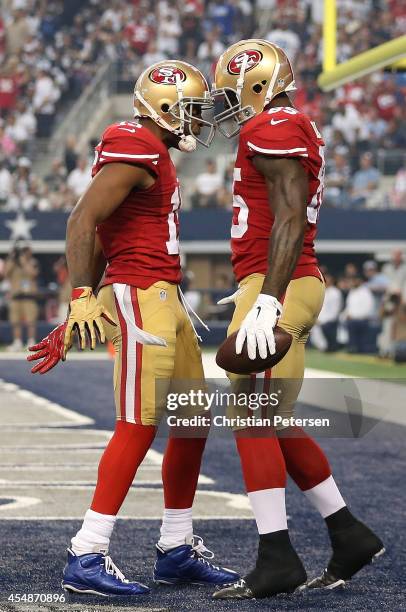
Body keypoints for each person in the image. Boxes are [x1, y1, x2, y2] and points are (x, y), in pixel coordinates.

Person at [28, 60, 237, 597]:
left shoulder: (154, 153)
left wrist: (83, 297)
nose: (197, 120)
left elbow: (103, 232)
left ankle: (175, 547)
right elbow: (82, 219)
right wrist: (80, 297)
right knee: (138, 424)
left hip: (167, 299)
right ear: (163, 107)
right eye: (190, 109)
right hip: (141, 300)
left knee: (192, 424)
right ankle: (87, 552)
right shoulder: (135, 144)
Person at [212, 39, 383, 600]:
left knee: (253, 416)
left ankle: (276, 557)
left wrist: (267, 298)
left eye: (233, 95)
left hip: (279, 284)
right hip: (278, 281)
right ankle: (347, 533)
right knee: (276, 419)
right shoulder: (285, 124)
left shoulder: (275, 126)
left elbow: (288, 217)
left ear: (257, 85)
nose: (229, 108)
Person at [4, 245, 39, 350]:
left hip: (29, 296)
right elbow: (5, 273)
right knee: (15, 321)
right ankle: (17, 342)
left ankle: (31, 341)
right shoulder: (12, 263)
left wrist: (23, 261)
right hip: (15, 296)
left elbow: (33, 273)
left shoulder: (32, 262)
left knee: (31, 321)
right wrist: (12, 258)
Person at [345, 275, 376, 353]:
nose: (353, 282)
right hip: (352, 320)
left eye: (355, 281)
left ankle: (361, 350)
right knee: (352, 341)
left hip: (362, 320)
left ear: (360, 281)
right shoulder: (352, 292)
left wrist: (355, 316)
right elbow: (349, 305)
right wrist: (348, 314)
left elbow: (368, 307)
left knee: (362, 343)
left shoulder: (366, 292)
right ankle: (352, 349)